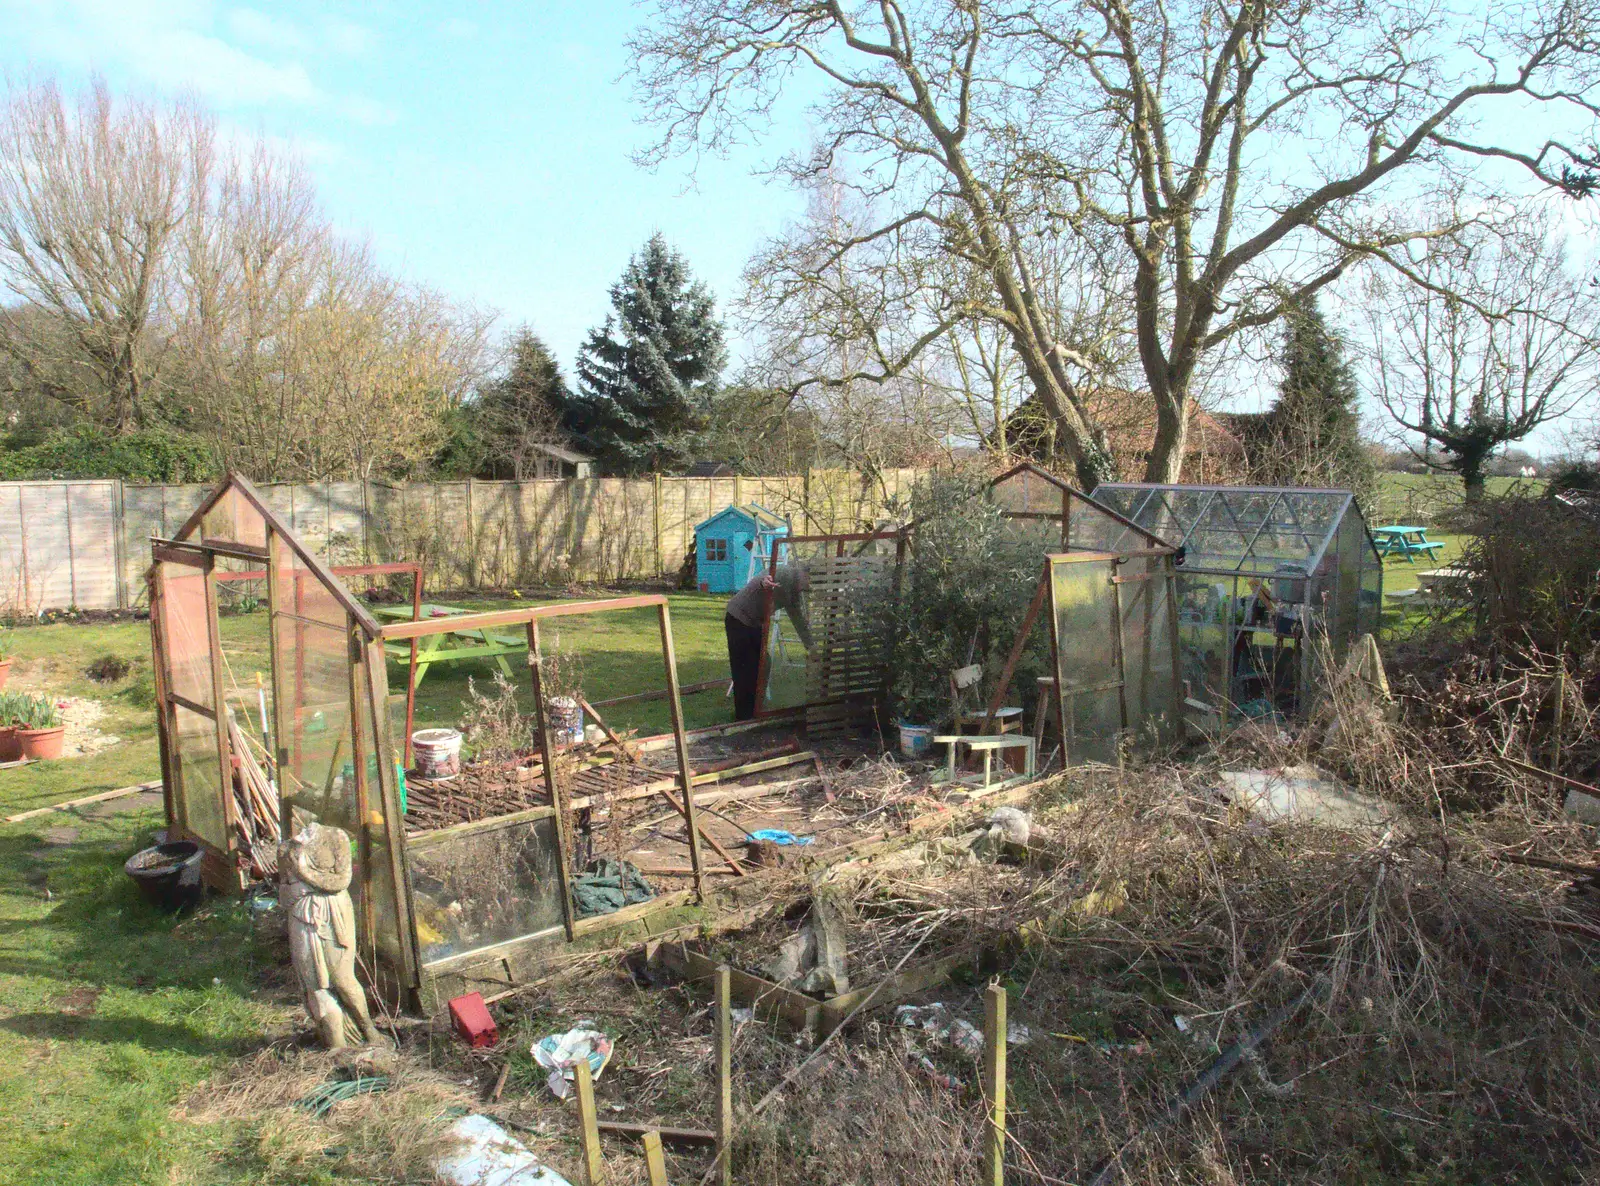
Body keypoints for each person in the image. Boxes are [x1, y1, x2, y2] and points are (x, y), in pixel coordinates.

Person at [724, 563, 812, 720]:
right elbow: (763, 579)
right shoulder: (784, 573)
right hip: (738, 617)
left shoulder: (794, 589)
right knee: (745, 668)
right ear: (805, 574)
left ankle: (756, 708)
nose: (808, 588)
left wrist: (810, 645)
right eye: (809, 583)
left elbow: (797, 618)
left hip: (754, 622)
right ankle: (743, 716)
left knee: (764, 663)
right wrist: (763, 583)